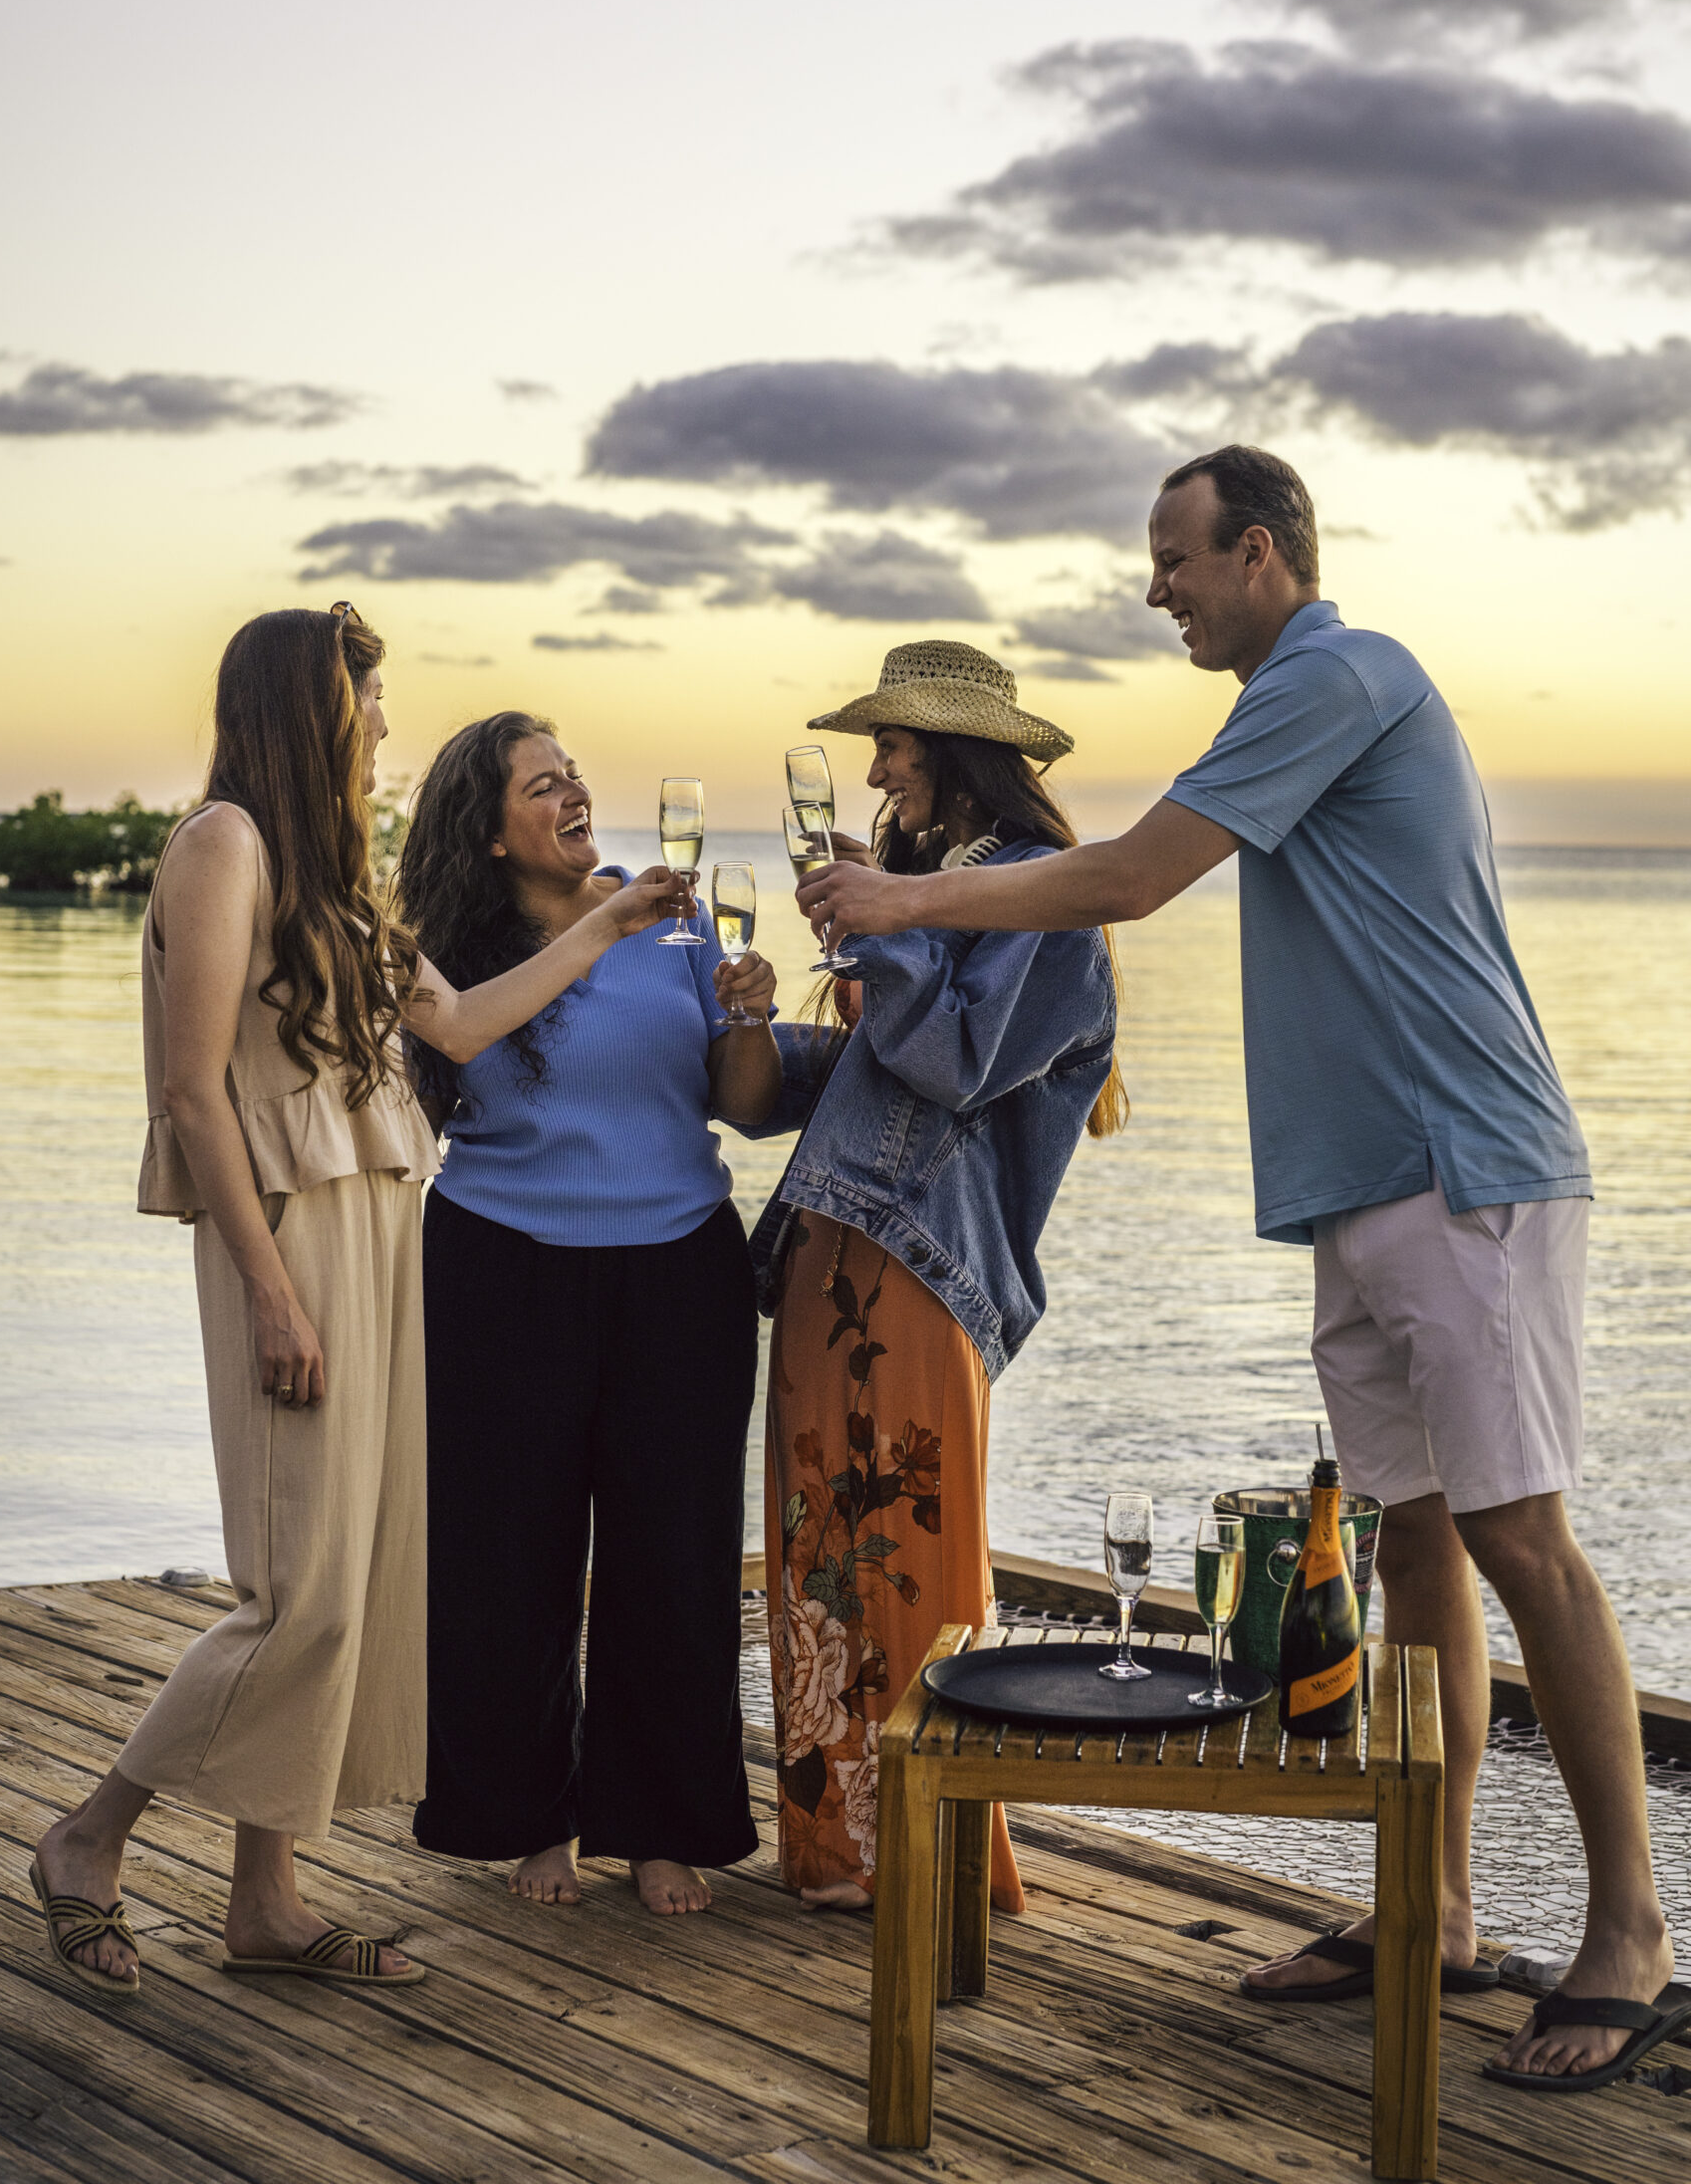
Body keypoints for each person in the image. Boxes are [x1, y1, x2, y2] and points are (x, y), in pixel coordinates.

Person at [798, 451, 1677, 2089]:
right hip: (1365, 1188)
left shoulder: (1337, 673)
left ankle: (1628, 1932)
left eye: (1174, 560)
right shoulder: (1293, 698)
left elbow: (1128, 878)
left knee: (1519, 1535)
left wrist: (902, 897)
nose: (1157, 591)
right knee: (1414, 1541)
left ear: (1258, 552)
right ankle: (1433, 1910)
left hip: (1465, 1170)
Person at [29, 608, 681, 1997]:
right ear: (307, 707)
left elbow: (460, 1025)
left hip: (382, 1233)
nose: (382, 725)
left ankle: (264, 1900)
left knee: (353, 1577)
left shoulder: (334, 878)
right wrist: (272, 1294)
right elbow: (193, 1089)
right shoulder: (224, 845)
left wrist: (610, 924)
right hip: (293, 1240)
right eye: (365, 700)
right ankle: (88, 1836)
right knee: (299, 1597)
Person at [396, 712, 782, 1917]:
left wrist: (750, 1014)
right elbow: (436, 1073)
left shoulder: (669, 923)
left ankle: (659, 1823)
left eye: (571, 776)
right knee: (505, 1559)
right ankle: (527, 1816)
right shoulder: (452, 958)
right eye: (539, 785)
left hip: (677, 1270)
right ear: (488, 830)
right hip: (499, 1267)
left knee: (674, 1557)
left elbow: (741, 1103)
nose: (571, 794)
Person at [757, 640, 1122, 1911]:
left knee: (912, 1553)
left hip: (920, 1271)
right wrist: (746, 1023)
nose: (872, 775)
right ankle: (838, 1850)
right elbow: (868, 1079)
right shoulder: (924, 892)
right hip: (827, 1248)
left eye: (892, 749)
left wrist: (886, 922)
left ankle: (940, 1860)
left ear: (956, 756)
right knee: (816, 1552)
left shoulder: (1041, 904)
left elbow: (955, 1067)